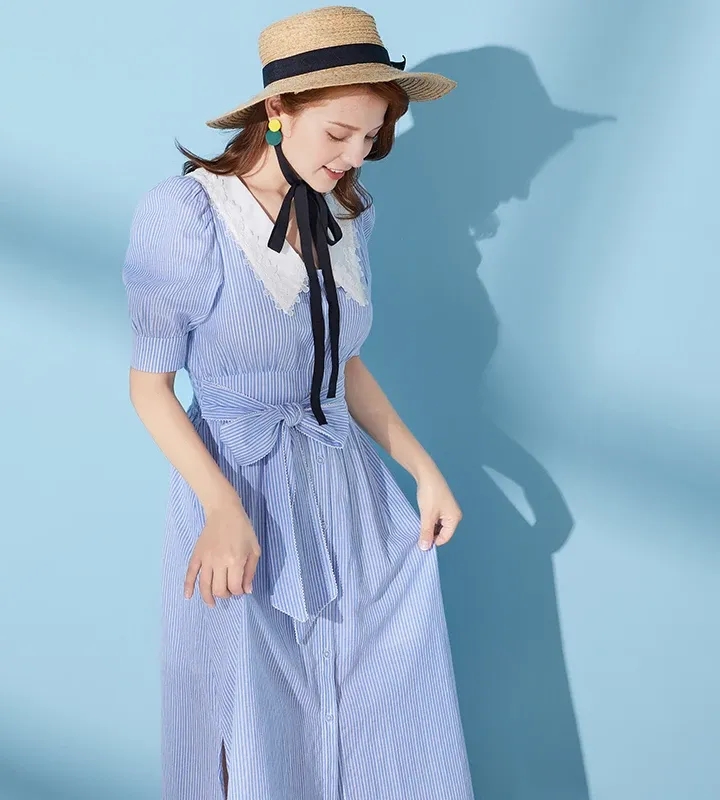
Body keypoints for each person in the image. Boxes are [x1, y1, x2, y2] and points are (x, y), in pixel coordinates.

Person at [121, 5, 475, 799]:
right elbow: (150, 390)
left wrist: (422, 469)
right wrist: (221, 508)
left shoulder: (350, 215)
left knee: (381, 701)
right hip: (239, 487)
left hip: (348, 491)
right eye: (339, 134)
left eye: (371, 139)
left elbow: (339, 364)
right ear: (278, 110)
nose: (354, 158)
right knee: (250, 718)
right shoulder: (186, 216)